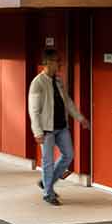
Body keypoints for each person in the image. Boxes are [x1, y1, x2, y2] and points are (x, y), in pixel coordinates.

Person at [27, 49, 89, 206]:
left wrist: (80, 118)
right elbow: (33, 110)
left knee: (68, 155)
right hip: (46, 129)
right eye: (56, 61)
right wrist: (37, 132)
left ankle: (46, 182)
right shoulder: (37, 83)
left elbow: (67, 102)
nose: (59, 63)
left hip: (61, 127)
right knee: (47, 161)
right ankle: (48, 193)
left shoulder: (58, 81)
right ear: (47, 63)